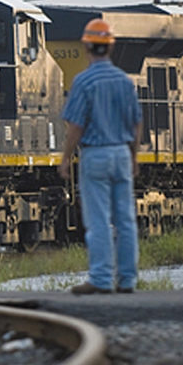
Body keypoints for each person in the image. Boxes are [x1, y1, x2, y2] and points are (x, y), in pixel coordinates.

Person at [58, 19, 142, 295]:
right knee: (125, 220)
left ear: (86, 46)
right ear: (111, 47)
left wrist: (66, 158)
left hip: (95, 154)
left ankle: (102, 279)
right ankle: (127, 280)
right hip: (121, 152)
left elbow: (75, 125)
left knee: (98, 220)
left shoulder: (83, 81)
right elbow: (136, 124)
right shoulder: (125, 82)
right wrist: (134, 156)